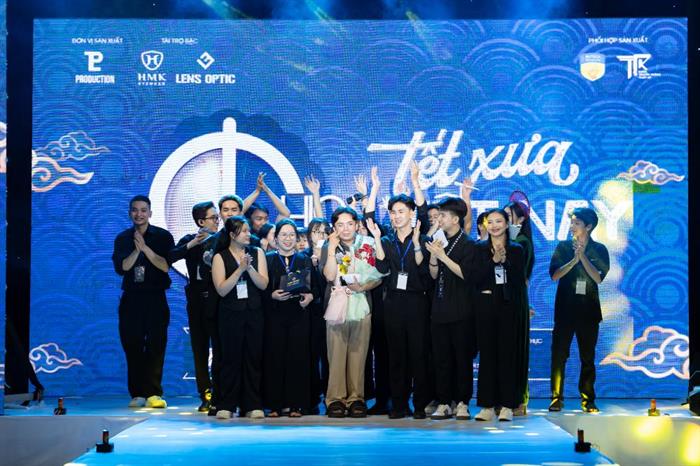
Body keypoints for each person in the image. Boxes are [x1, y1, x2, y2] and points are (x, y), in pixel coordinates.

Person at [368, 194, 431, 419]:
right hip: (393, 302)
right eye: (393, 212)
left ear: (412, 213)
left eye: (401, 211)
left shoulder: (423, 239)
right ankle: (399, 405)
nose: (396, 216)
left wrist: (417, 246)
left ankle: (421, 404)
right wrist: (376, 239)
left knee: (418, 355)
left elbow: (425, 272)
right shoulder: (386, 240)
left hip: (417, 301)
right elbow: (382, 267)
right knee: (396, 355)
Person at [111, 195, 174, 409]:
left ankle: (154, 393)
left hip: (156, 298)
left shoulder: (163, 236)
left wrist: (146, 248)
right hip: (132, 299)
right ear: (130, 213)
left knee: (156, 345)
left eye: (143, 210)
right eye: (135, 210)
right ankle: (138, 393)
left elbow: (165, 266)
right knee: (133, 345)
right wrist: (136, 249)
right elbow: (123, 268)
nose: (139, 214)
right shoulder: (123, 238)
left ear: (150, 213)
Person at [321, 207, 383, 418]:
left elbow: (378, 275)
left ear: (357, 225)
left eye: (349, 224)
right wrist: (331, 248)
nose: (345, 229)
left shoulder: (368, 245)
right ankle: (335, 400)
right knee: (336, 355)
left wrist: (362, 286)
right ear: (334, 228)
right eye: (340, 225)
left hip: (361, 304)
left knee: (359, 354)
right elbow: (329, 276)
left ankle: (356, 398)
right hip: (337, 305)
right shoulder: (329, 247)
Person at [549, 207, 609, 414]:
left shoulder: (599, 249)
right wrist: (573, 260)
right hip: (565, 310)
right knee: (559, 356)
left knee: (587, 358)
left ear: (588, 226)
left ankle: (588, 400)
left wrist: (582, 257)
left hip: (588, 312)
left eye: (577, 223)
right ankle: (556, 398)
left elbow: (598, 278)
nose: (572, 226)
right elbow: (554, 275)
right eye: (572, 222)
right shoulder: (563, 247)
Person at [472, 209, 528, 422]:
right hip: (485, 306)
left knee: (507, 356)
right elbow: (475, 278)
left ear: (506, 224)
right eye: (491, 222)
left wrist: (505, 261)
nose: (494, 225)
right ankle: (486, 406)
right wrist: (493, 260)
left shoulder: (516, 249)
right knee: (487, 356)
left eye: (499, 221)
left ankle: (507, 405)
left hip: (508, 306)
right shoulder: (479, 248)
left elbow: (519, 280)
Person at [424, 197, 477, 421]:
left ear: (455, 219)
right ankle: (444, 402)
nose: (439, 219)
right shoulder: (439, 240)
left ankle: (462, 402)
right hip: (439, 308)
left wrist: (443, 257)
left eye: (443, 216)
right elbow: (434, 275)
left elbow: (466, 274)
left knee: (462, 359)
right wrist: (434, 257)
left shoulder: (468, 244)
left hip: (462, 309)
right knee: (441, 359)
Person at [211, 216, 269, 419]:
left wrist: (249, 267)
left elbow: (263, 284)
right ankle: (227, 404)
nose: (248, 234)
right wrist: (239, 269)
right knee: (230, 358)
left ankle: (252, 404)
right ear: (232, 234)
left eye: (248, 230)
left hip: (254, 312)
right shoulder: (220, 257)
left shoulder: (257, 252)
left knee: (253, 358)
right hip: (230, 314)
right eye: (244, 231)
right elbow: (221, 289)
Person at [263, 219, 318, 417]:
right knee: (275, 358)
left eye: (292, 235)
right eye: (284, 235)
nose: (288, 239)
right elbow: (259, 288)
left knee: (298, 359)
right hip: (274, 316)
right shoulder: (267, 259)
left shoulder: (304, 259)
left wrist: (310, 297)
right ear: (276, 238)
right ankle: (275, 405)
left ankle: (296, 405)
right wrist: (271, 295)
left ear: (297, 238)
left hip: (299, 315)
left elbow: (315, 288)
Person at [169, 201, 219, 412]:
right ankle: (205, 393)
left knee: (221, 348)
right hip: (197, 301)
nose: (217, 221)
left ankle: (221, 392)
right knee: (199, 349)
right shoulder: (189, 240)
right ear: (200, 222)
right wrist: (191, 245)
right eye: (213, 218)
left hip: (218, 300)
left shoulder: (222, 240)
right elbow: (170, 256)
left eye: (217, 217)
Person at [504, 198, 535, 416]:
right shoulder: (504, 240)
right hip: (501, 300)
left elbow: (519, 274)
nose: (502, 221)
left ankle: (518, 400)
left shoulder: (521, 242)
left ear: (521, 219)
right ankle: (504, 398)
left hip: (515, 300)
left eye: (508, 217)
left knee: (516, 351)